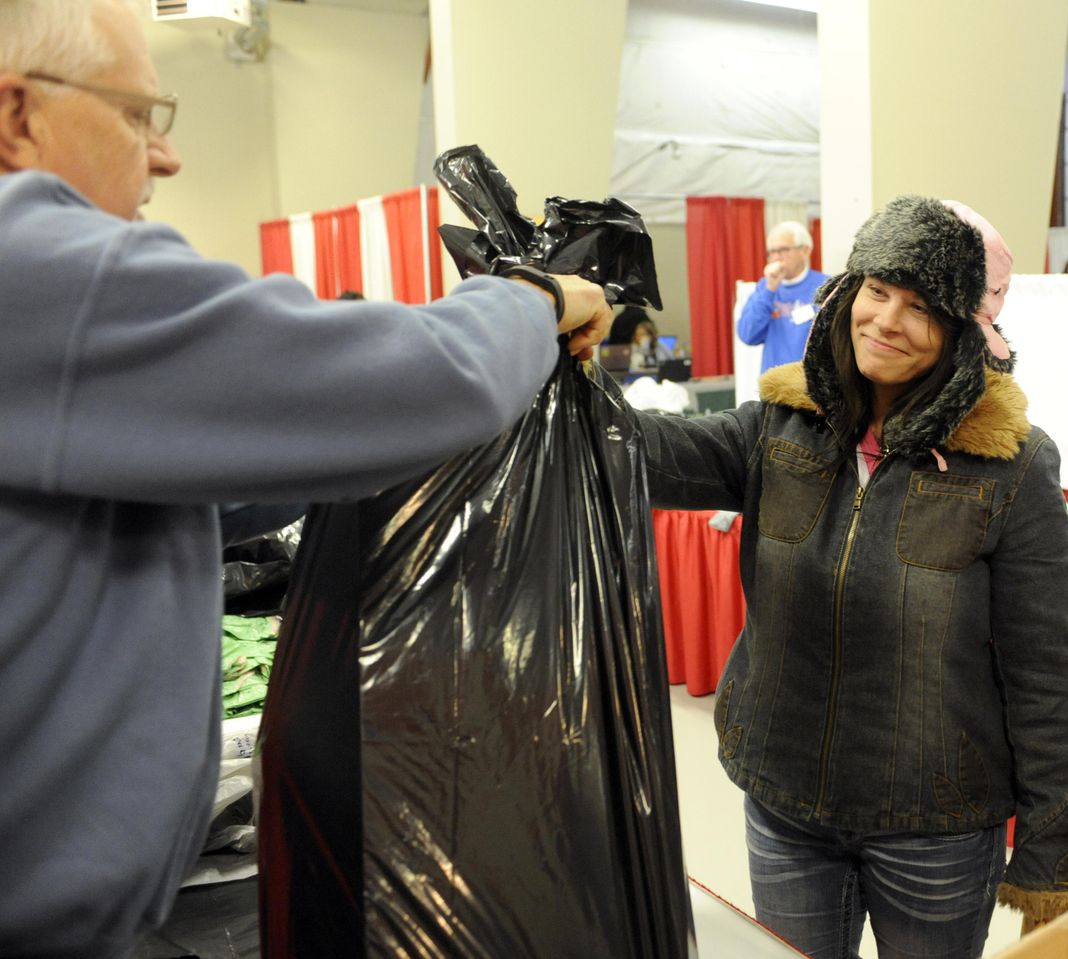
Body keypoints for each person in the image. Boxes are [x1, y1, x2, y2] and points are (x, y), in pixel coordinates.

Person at [0, 2, 612, 956]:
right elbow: (424, 382)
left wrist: (356, 437)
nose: (164, 159)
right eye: (138, 115)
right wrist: (530, 301)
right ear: (17, 114)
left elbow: (198, 486)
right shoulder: (35, 267)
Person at [615, 195, 1068, 958]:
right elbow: (631, 449)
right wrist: (547, 339)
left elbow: (1040, 666)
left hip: (935, 829)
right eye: (876, 290)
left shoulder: (1009, 465)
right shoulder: (782, 425)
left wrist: (1060, 826)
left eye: (919, 306)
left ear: (962, 331)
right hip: (785, 806)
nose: (886, 320)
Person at [737, 219, 827, 373]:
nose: (777, 257)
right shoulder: (764, 287)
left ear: (805, 251)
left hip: (812, 386)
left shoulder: (825, 286)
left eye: (783, 250)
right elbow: (748, 334)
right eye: (772, 252)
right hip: (774, 387)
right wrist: (770, 289)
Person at [609, 305, 673, 371]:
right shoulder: (631, 349)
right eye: (638, 335)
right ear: (635, 336)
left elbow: (670, 360)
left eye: (644, 334)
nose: (641, 338)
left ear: (650, 335)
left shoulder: (659, 346)